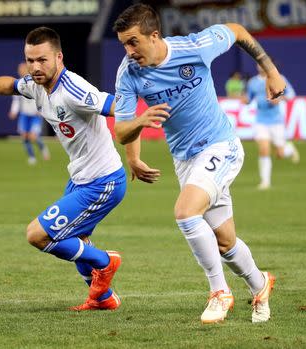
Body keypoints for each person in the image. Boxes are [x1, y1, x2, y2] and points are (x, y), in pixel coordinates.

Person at [113, 4, 282, 324]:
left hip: (221, 145)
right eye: (124, 43)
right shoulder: (128, 73)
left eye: (133, 41)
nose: (129, 50)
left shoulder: (194, 47)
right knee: (225, 242)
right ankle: (261, 284)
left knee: (185, 211)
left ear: (154, 35)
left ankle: (219, 292)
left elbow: (237, 31)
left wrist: (270, 70)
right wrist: (136, 144)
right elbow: (121, 129)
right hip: (185, 159)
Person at [0, 26, 126, 311]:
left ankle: (106, 261)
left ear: (59, 57)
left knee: (38, 235)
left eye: (42, 60)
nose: (35, 67)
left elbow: (115, 106)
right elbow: (12, 85)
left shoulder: (74, 89)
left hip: (104, 181)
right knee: (76, 243)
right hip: (80, 178)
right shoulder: (35, 85)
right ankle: (103, 298)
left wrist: (148, 120)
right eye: (30, 60)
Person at [247, 63, 299, 190]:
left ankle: (289, 149)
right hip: (261, 121)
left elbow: (291, 94)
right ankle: (265, 182)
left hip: (276, 121)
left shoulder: (279, 78)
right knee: (264, 149)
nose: (261, 66)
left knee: (280, 154)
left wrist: (279, 98)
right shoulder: (252, 82)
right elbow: (249, 98)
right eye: (259, 63)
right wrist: (244, 100)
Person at [8, 62, 50, 165]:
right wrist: (14, 111)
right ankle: (32, 157)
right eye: (19, 69)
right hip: (24, 114)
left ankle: (43, 147)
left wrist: (42, 109)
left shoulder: (35, 82)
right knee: (24, 136)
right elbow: (16, 100)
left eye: (22, 69)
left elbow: (42, 96)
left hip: (35, 114)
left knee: (33, 136)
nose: (20, 71)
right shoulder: (18, 83)